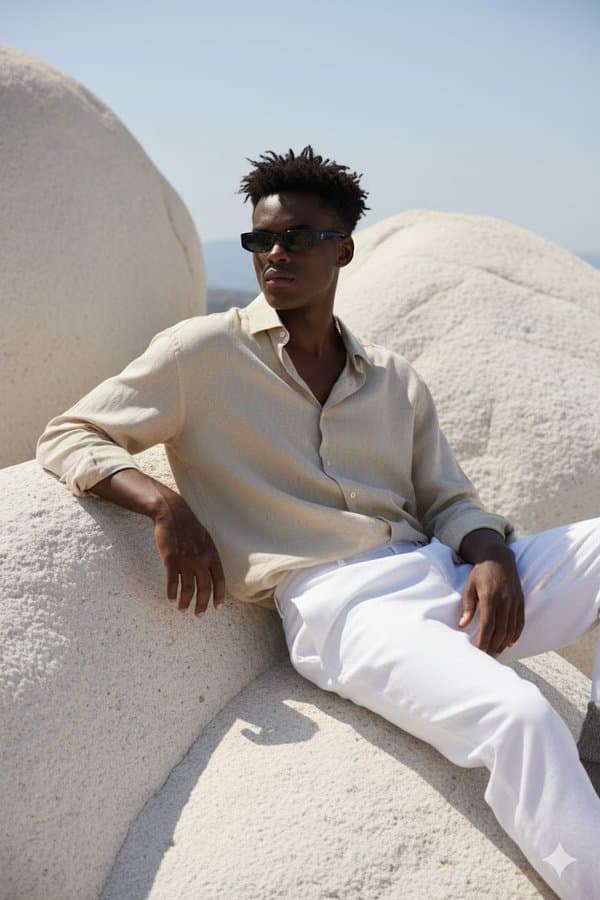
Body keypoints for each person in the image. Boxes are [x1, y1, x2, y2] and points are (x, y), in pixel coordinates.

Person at [37, 146, 600, 898]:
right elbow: (69, 434)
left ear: (343, 249)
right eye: (259, 240)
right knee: (521, 718)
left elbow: (449, 499)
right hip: (345, 611)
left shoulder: (393, 378)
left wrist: (492, 554)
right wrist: (165, 503)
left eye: (297, 238)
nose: (274, 254)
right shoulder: (200, 352)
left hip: (442, 572)